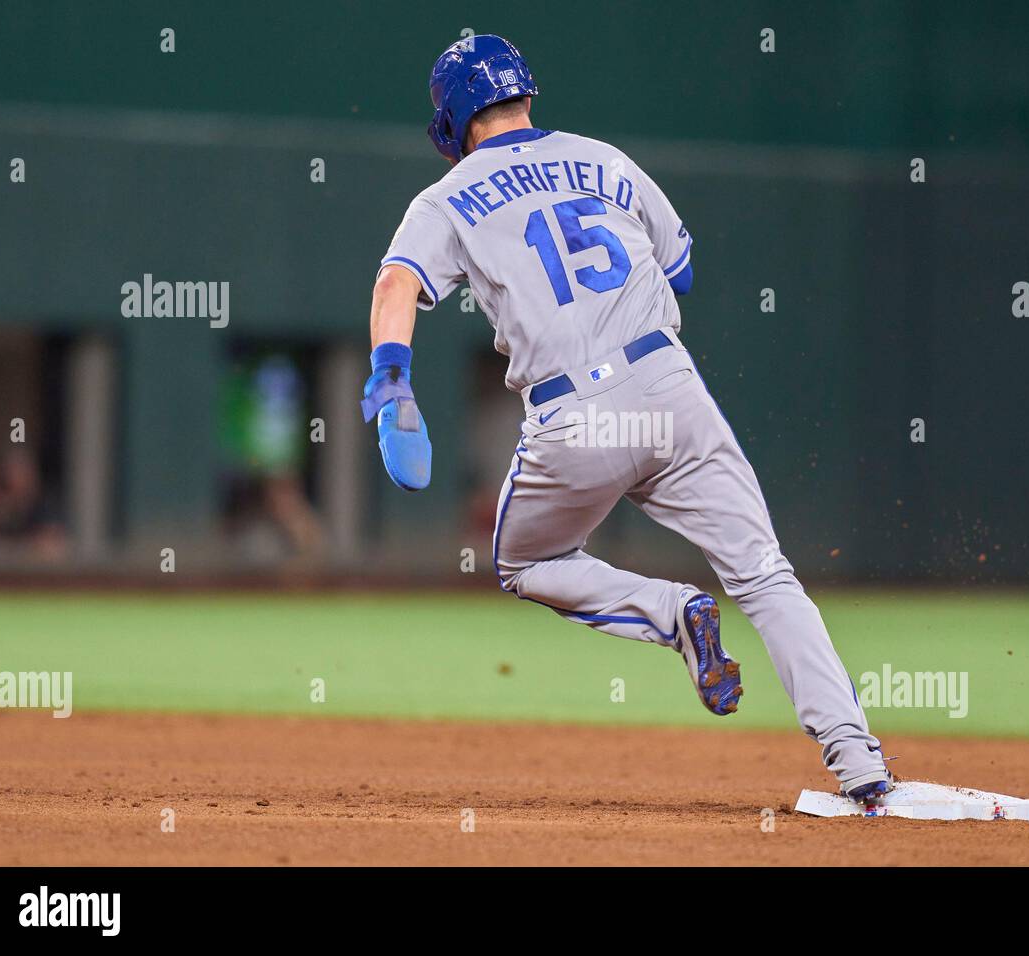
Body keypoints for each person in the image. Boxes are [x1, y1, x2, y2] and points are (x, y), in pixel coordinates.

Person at [360, 35, 891, 801]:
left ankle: (672, 610)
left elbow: (394, 289)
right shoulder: (604, 159)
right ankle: (862, 767)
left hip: (571, 415)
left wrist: (392, 381)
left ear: (450, 122)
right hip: (669, 384)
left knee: (524, 563)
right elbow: (682, 267)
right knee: (765, 573)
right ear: (525, 93)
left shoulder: (446, 197)